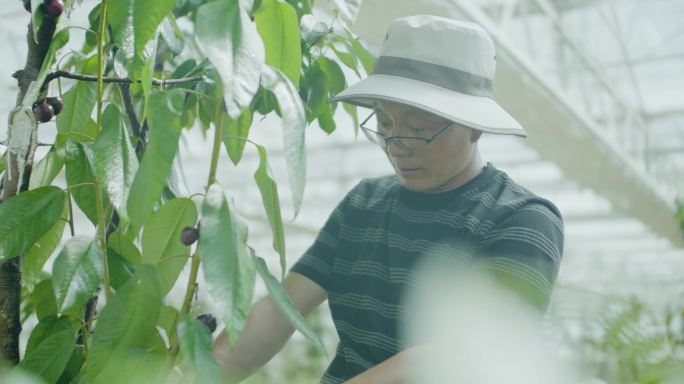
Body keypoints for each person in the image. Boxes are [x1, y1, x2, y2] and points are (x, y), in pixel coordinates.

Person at [213, 15, 564, 384]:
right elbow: (280, 310)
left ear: (474, 126)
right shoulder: (363, 204)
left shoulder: (522, 219)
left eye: (417, 128)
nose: (396, 145)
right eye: (383, 124)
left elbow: (458, 357)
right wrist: (197, 370)